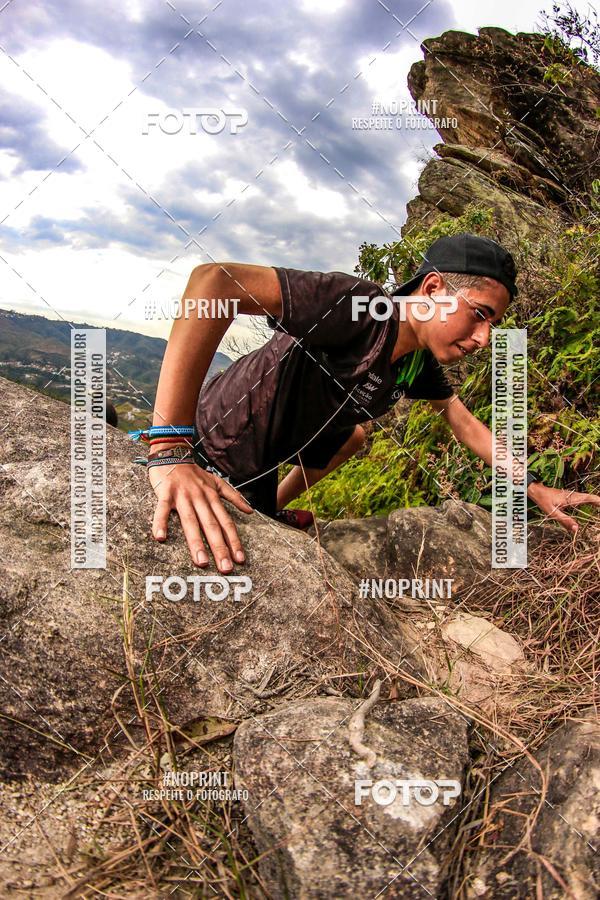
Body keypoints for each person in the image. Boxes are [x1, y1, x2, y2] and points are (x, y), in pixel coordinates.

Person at [143, 233, 599, 572]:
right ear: (434, 289)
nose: (483, 338)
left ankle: (272, 508)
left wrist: (534, 488)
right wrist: (171, 449)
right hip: (212, 444)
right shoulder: (362, 308)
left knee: (354, 436)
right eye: (479, 314)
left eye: (493, 325)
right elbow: (214, 283)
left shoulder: (416, 363)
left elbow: (466, 426)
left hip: (260, 469)